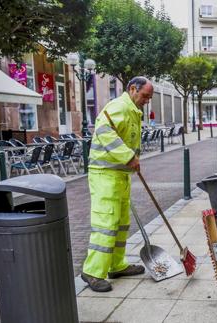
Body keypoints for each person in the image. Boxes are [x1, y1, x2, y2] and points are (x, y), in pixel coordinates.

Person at [81, 76, 153, 292]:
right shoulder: (119, 106)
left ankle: (116, 264)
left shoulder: (132, 109)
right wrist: (127, 156)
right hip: (105, 175)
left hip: (120, 175)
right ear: (133, 89)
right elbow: (103, 131)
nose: (146, 101)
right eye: (145, 96)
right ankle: (93, 272)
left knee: (121, 223)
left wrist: (130, 161)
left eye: (149, 97)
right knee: (106, 223)